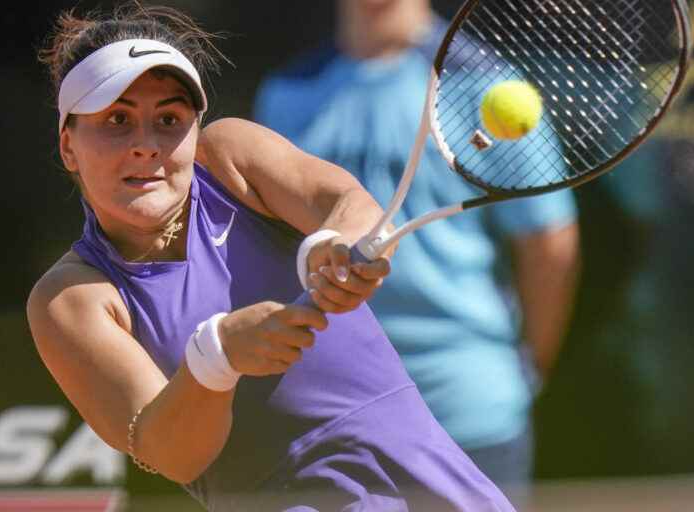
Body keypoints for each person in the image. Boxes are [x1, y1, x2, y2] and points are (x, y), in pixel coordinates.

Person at [26, 3, 516, 511]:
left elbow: (345, 204)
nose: (146, 145)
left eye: (169, 119)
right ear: (68, 145)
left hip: (436, 486)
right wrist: (216, 356)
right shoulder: (70, 299)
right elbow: (171, 454)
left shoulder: (229, 154)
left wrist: (338, 244)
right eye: (117, 119)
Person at [254, 0, 581, 504]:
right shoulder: (285, 93)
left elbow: (550, 246)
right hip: (333, 416)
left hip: (467, 412)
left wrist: (527, 367)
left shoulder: (486, 84)